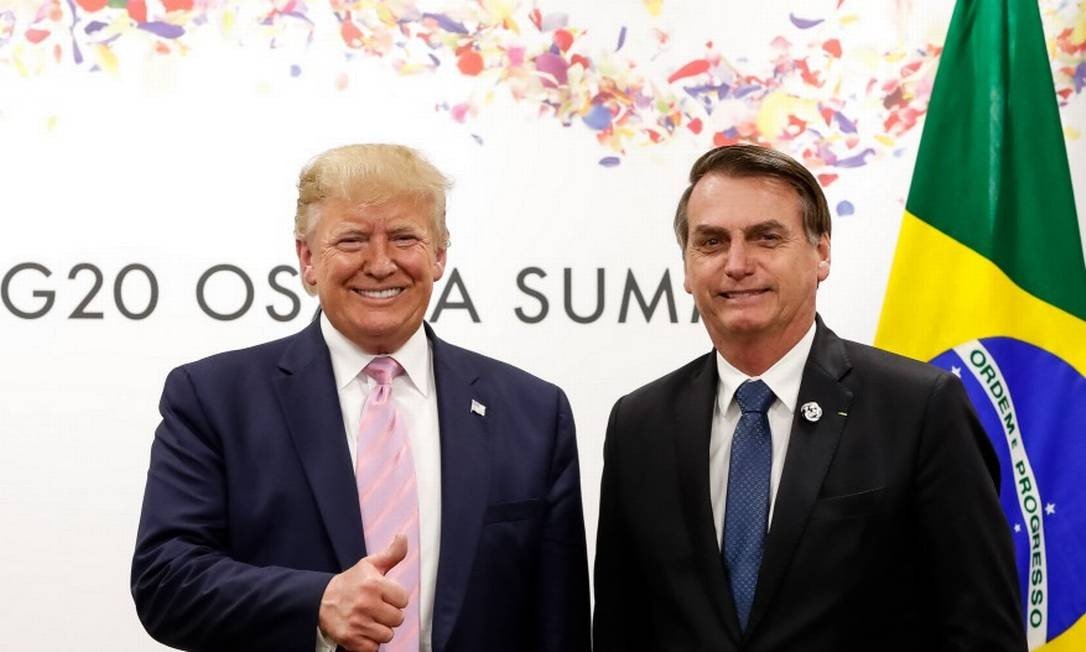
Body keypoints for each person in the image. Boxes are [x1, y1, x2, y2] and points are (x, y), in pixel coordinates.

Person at [132, 144, 590, 652]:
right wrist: (316, 603)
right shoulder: (214, 400)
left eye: (404, 238)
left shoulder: (532, 413)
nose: (380, 264)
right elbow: (165, 580)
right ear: (308, 259)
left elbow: (561, 625)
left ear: (439, 255)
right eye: (351, 240)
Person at [592, 144, 1026, 651]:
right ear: (686, 268)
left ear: (821, 253)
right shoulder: (639, 424)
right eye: (711, 242)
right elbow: (621, 629)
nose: (737, 263)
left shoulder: (920, 408)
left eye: (766, 238)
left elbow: (982, 631)